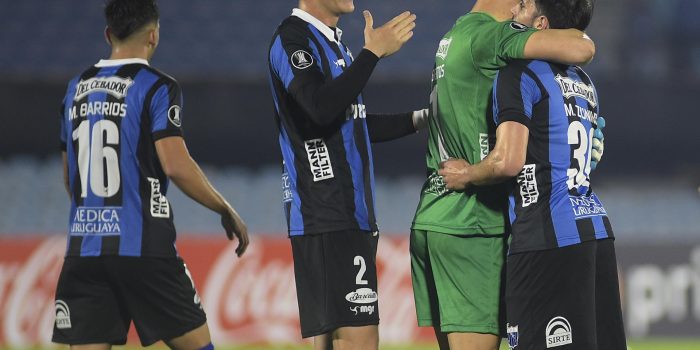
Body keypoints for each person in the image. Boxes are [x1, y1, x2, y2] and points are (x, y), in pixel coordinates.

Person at [52, 1, 249, 349]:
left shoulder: (74, 89)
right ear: (154, 35)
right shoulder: (157, 87)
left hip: (83, 252)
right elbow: (175, 164)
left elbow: (71, 178)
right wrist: (225, 208)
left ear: (108, 34)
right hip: (144, 251)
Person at [409, 0, 604, 349]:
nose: (520, 8)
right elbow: (581, 46)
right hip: (473, 222)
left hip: (436, 210)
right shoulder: (494, 37)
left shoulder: (456, 33)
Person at [267, 1, 425, 349]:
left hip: (344, 216)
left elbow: (351, 124)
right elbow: (320, 108)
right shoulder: (292, 39)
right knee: (361, 341)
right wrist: (371, 54)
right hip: (326, 213)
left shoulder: (337, 43)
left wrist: (420, 119)